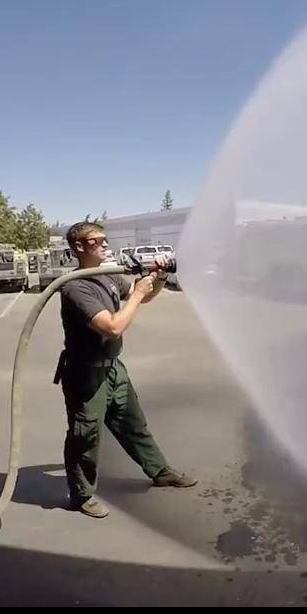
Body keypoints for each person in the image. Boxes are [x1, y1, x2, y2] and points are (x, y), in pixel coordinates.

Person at [54, 221, 197, 518]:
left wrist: (157, 276)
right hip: (86, 373)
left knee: (133, 424)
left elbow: (142, 293)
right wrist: (135, 295)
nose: (105, 245)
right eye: (97, 241)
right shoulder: (76, 286)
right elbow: (113, 326)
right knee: (86, 436)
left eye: (106, 239)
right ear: (79, 247)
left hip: (113, 368)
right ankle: (81, 496)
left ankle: (160, 471)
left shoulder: (106, 275)